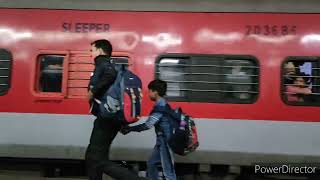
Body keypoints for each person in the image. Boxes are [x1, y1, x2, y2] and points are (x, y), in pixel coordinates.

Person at [85, 39, 145, 180]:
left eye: (92, 50)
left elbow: (109, 74)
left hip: (106, 120)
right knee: (92, 156)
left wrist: (92, 92)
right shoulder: (115, 66)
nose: (91, 54)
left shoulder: (103, 62)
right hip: (111, 118)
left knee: (96, 159)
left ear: (100, 51)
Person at [121, 80, 177, 180]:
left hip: (166, 142)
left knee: (168, 172)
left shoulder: (161, 107)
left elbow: (147, 125)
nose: (148, 93)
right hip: (161, 141)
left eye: (150, 91)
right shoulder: (162, 105)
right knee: (151, 164)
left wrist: (130, 129)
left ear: (155, 92)